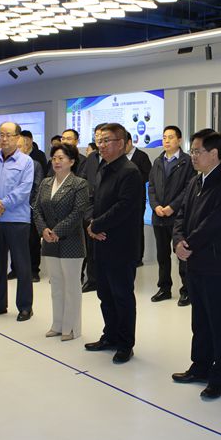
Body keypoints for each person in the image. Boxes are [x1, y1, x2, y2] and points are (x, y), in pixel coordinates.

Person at [172, 129, 221, 400]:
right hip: (195, 262)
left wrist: (188, 244)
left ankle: (220, 377)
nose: (193, 156)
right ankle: (200, 366)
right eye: (192, 151)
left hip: (215, 264)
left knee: (218, 321)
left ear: (214, 153)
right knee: (199, 319)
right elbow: (181, 215)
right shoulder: (195, 181)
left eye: (197, 151)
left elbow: (216, 223)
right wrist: (178, 240)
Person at [84, 123, 144, 364]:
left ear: (121, 143)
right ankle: (109, 336)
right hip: (100, 243)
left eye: (106, 140)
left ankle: (125, 344)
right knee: (105, 294)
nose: (101, 145)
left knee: (122, 296)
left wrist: (97, 225)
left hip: (121, 245)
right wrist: (91, 223)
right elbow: (92, 199)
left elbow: (124, 207)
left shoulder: (130, 172)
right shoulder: (103, 168)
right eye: (99, 141)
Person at [0, 122, 36, 322]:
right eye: (1, 134)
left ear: (18, 137)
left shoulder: (26, 162)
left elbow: (24, 189)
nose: (4, 139)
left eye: (9, 135)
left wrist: (2, 204)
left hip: (17, 220)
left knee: (21, 265)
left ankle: (25, 307)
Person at [34, 143, 90, 341]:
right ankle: (57, 324)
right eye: (54, 158)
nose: (56, 162)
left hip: (71, 241)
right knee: (56, 285)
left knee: (71, 286)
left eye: (61, 158)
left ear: (72, 161)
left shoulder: (79, 184)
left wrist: (57, 231)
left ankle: (71, 328)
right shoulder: (46, 183)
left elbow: (78, 212)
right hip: (49, 241)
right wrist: (44, 230)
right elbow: (36, 209)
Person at [148, 125, 195, 306]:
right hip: (159, 216)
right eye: (164, 137)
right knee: (162, 255)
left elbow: (188, 188)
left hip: (178, 217)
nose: (166, 141)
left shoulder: (187, 161)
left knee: (181, 254)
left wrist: (172, 207)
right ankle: (164, 288)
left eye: (170, 137)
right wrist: (156, 207)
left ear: (179, 140)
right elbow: (151, 187)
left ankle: (187, 290)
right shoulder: (158, 161)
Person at [7, 132, 44, 282]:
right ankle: (15, 268)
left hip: (29, 209)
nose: (17, 149)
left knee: (33, 242)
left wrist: (30, 206)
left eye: (20, 146)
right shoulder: (9, 164)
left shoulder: (35, 165)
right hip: (12, 209)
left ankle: (34, 270)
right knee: (14, 241)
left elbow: (38, 187)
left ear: (27, 146)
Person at [78, 123, 107, 292]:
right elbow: (83, 180)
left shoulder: (114, 159)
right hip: (89, 209)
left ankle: (104, 279)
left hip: (106, 211)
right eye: (96, 136)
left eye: (102, 136)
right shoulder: (91, 158)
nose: (98, 139)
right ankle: (92, 279)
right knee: (89, 248)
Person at [125, 132, 152, 266]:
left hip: (137, 199)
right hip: (122, 199)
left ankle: (137, 257)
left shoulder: (141, 156)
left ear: (129, 142)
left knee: (137, 228)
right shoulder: (120, 157)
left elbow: (148, 175)